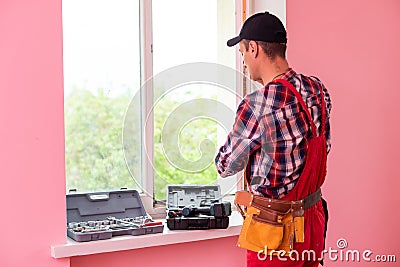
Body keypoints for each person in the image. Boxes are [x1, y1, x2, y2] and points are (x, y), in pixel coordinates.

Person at [215, 11, 332, 267]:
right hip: (313, 223)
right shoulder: (317, 89)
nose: (244, 62)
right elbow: (324, 146)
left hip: (275, 233)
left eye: (243, 53)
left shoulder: (257, 105)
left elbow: (226, 165)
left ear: (254, 48)